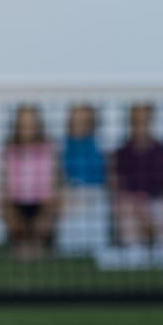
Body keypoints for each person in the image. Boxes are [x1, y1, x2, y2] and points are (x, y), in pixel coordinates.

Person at [110, 103, 163, 265]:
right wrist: (138, 202)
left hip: (158, 203)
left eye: (144, 120)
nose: (140, 125)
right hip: (132, 205)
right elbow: (117, 186)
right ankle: (134, 251)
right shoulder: (121, 152)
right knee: (124, 205)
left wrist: (151, 204)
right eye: (136, 121)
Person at [0, 104, 58, 259]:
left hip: (42, 203)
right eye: (23, 124)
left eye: (30, 124)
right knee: (7, 209)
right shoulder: (10, 149)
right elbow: (4, 181)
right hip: (17, 203)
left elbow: (53, 180)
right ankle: (22, 243)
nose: (27, 128)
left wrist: (48, 205)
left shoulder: (48, 148)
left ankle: (39, 244)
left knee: (50, 211)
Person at [57, 104, 109, 256]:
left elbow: (107, 172)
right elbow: (60, 173)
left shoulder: (101, 141)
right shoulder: (62, 143)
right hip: (71, 192)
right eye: (78, 118)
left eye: (85, 119)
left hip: (96, 192)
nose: (81, 122)